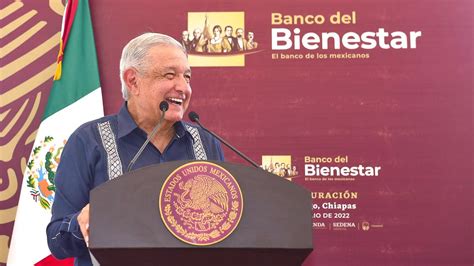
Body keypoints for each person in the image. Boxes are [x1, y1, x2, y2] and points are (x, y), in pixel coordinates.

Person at [46, 33, 224, 266]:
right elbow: (57, 240)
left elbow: (224, 232)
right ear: (132, 81)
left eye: (187, 77)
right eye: (169, 75)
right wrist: (81, 223)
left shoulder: (206, 143)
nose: (183, 87)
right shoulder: (89, 141)